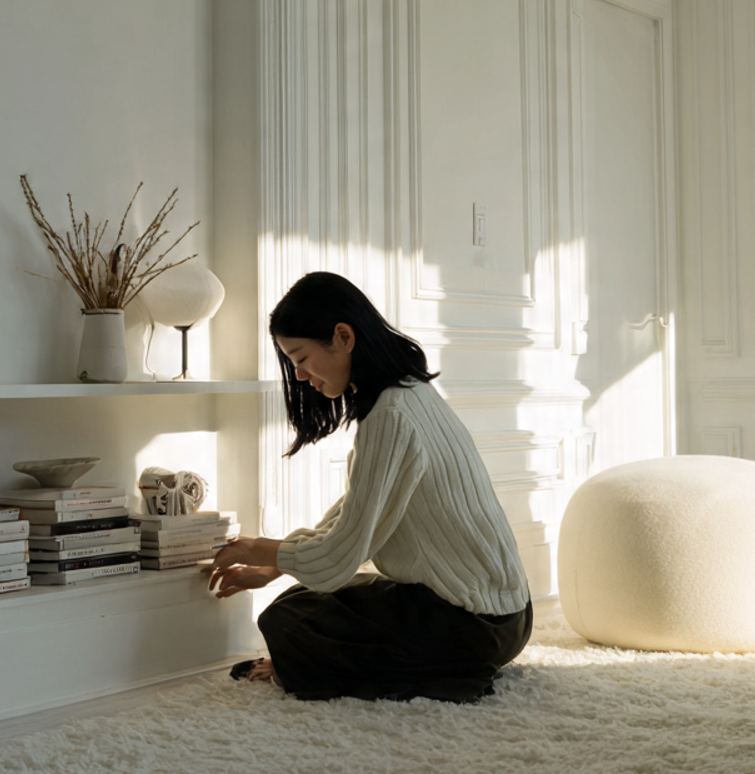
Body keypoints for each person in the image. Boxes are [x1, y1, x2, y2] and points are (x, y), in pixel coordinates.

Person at [208, 271, 532, 702]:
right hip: (512, 616)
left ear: (343, 337)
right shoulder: (412, 392)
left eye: (301, 358)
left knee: (289, 618)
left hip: (470, 627)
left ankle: (452, 674)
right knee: (306, 594)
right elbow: (360, 507)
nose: (300, 376)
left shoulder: (389, 417)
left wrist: (258, 549)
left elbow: (339, 556)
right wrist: (279, 563)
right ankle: (440, 666)